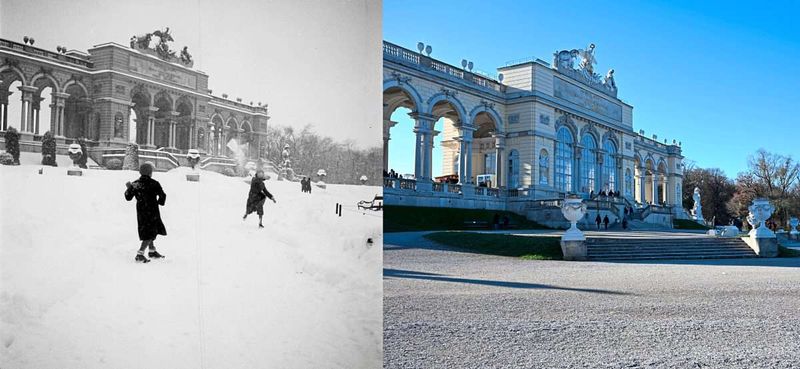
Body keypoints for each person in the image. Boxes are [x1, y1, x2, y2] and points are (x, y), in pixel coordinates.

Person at [125, 162, 167, 263]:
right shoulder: (154, 183)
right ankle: (140, 254)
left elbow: (128, 197)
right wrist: (160, 202)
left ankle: (152, 251)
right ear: (150, 173)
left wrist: (129, 188)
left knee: (148, 230)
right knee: (151, 232)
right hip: (152, 211)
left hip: (141, 212)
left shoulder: (135, 184)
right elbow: (162, 195)